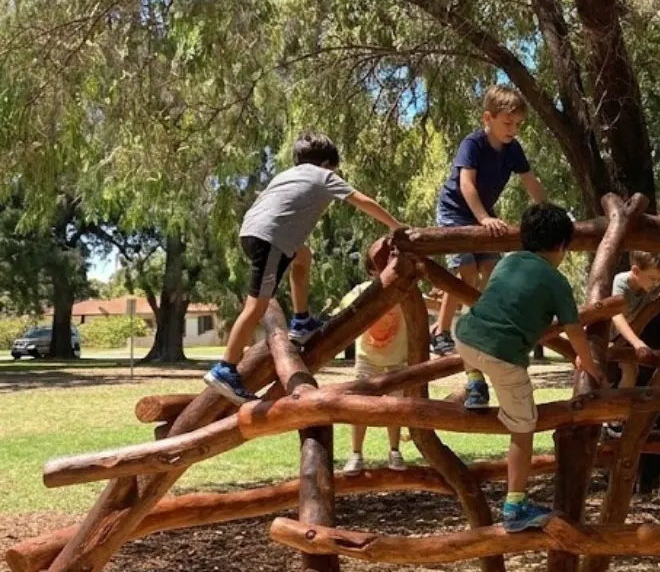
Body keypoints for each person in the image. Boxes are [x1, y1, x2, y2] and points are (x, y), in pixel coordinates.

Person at [205, 132, 401, 405]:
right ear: (326, 163)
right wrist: (396, 226)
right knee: (257, 306)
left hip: (252, 231)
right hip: (270, 239)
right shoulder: (324, 176)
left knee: (303, 256)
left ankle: (301, 320)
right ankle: (225, 368)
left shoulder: (286, 175)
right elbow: (362, 201)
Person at [454, 202, 603, 532]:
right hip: (504, 357)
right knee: (523, 427)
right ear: (563, 246)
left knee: (463, 326)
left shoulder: (507, 264)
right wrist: (587, 363)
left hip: (465, 339)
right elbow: (574, 329)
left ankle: (475, 385)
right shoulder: (556, 281)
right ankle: (515, 506)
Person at [430, 85, 547, 411]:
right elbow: (466, 184)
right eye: (508, 124)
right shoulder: (474, 144)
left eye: (518, 125)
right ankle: (440, 332)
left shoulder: (513, 149)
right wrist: (482, 218)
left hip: (485, 215)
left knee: (492, 274)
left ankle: (479, 326)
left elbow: (530, 181)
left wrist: (548, 212)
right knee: (466, 272)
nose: (513, 130)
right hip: (457, 211)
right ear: (488, 118)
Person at [339, 264, 408, 474]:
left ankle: (394, 451)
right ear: (372, 272)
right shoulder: (362, 291)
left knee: (396, 406)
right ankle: (356, 454)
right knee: (359, 407)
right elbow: (344, 310)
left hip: (397, 359)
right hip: (367, 358)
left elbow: (426, 305)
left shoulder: (405, 291)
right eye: (381, 268)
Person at [611, 251, 660, 390]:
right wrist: (637, 343)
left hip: (621, 337)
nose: (656, 284)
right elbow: (616, 315)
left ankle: (621, 409)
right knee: (601, 375)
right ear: (636, 271)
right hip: (604, 333)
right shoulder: (621, 282)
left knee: (631, 372)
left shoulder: (648, 288)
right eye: (652, 278)